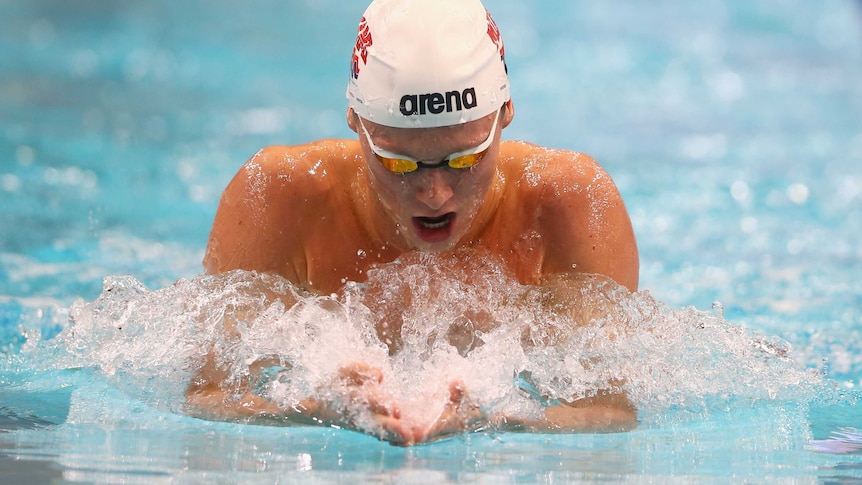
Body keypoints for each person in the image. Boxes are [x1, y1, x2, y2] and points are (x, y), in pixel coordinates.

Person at [185, 0, 639, 445]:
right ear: (355, 121)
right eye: (400, 163)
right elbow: (207, 395)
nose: (434, 192)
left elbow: (609, 409)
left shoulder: (570, 202)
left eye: (465, 159)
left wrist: (504, 417)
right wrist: (312, 411)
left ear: (505, 114)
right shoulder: (280, 196)